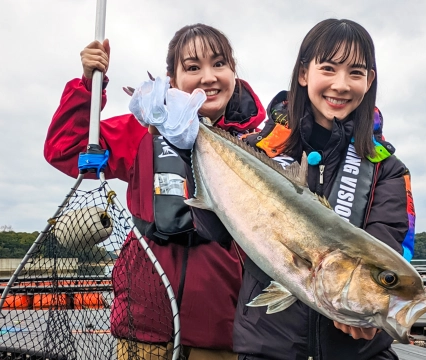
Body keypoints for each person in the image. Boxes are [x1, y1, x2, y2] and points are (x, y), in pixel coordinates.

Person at [44, 24, 266, 360]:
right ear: (172, 79)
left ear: (233, 73)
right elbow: (65, 149)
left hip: (222, 333)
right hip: (143, 328)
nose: (208, 77)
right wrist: (89, 85)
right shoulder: (143, 130)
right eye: (193, 67)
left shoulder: (258, 144)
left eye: (219, 64)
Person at [233, 19, 416, 360]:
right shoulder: (257, 152)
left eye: (356, 73)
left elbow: (389, 251)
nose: (341, 85)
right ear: (304, 73)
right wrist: (182, 142)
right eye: (328, 68)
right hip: (267, 350)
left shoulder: (387, 170)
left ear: (369, 81)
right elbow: (210, 227)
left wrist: (375, 313)